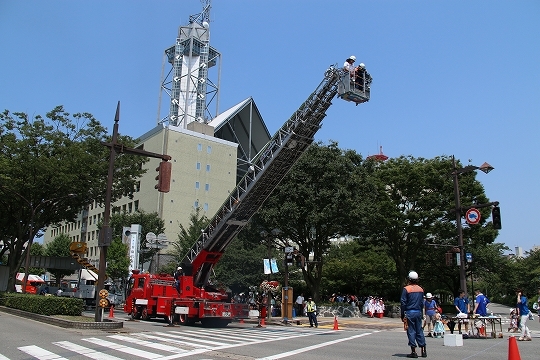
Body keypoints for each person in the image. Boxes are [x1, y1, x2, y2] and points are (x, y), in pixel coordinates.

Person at [400, 271, 427, 358]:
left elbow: (403, 302)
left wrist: (402, 314)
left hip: (409, 312)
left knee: (411, 331)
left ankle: (414, 352)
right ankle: (423, 350)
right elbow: (422, 303)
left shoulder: (406, 289)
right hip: (418, 312)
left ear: (409, 279)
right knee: (419, 330)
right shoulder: (421, 289)